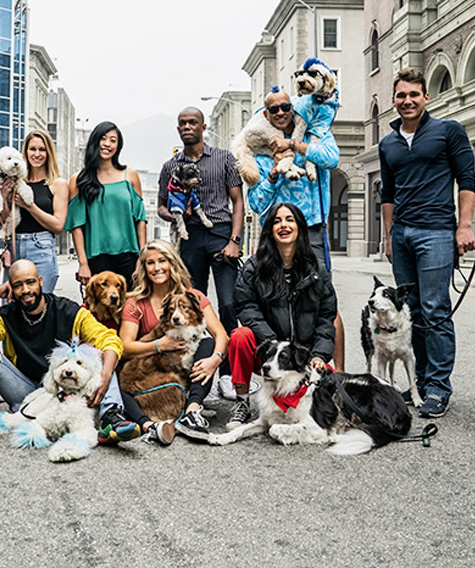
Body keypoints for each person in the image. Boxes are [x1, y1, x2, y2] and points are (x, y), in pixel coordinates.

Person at [0, 259, 139, 450]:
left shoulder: (68, 310)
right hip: (25, 391)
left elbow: (109, 340)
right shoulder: (5, 315)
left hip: (64, 389)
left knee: (105, 354)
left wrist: (104, 377)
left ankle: (111, 416)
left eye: (30, 282)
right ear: (11, 289)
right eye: (18, 285)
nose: (26, 290)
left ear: (41, 282)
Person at [379, 67, 475, 419]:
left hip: (436, 231)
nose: (407, 101)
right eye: (401, 96)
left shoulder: (448, 131)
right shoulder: (387, 142)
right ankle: (420, 382)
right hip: (402, 233)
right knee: (413, 310)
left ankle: (438, 387)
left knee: (435, 309)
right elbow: (387, 193)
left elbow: (467, 179)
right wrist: (389, 235)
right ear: (394, 101)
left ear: (426, 98)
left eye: (413, 95)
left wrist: (464, 226)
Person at [246, 88, 345, 371]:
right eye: (273, 109)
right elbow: (256, 202)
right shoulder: (259, 150)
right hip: (275, 234)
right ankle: (286, 372)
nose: (280, 113)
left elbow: (331, 158)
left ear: (293, 107)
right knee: (280, 305)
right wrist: (274, 173)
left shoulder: (315, 130)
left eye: (285, 107)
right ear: (265, 114)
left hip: (311, 229)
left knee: (326, 303)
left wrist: (295, 145)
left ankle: (337, 373)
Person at [224, 203, 337, 430]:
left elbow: (327, 317)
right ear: (269, 229)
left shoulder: (317, 270)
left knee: (332, 393)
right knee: (239, 336)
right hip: (266, 352)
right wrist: (270, 340)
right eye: (277, 221)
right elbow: (245, 307)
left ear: (299, 228)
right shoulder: (253, 268)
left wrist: (319, 355)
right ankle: (242, 402)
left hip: (301, 357)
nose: (283, 225)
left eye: (289, 220)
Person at [118, 239, 230, 442]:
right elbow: (124, 347)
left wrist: (216, 359)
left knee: (208, 344)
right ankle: (148, 423)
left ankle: (192, 410)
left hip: (181, 369)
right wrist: (159, 345)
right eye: (150, 263)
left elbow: (221, 335)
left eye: (162, 260)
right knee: (119, 386)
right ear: (144, 268)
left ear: (172, 263)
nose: (157, 267)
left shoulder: (193, 296)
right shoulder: (134, 303)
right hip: (152, 370)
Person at [157, 107, 243, 332]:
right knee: (193, 303)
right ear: (178, 129)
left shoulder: (224, 158)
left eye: (192, 122)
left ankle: (228, 364)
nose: (187, 127)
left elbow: (238, 201)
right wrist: (175, 215)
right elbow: (161, 208)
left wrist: (235, 240)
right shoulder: (170, 167)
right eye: (183, 123)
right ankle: (200, 360)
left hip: (221, 234)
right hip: (190, 237)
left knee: (228, 303)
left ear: (203, 127)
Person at [66, 121, 147, 288]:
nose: (107, 144)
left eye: (113, 140)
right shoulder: (79, 180)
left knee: (131, 311)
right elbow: (76, 226)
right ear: (95, 141)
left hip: (129, 257)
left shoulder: (130, 176)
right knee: (99, 312)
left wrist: (142, 258)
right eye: (103, 138)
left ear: (118, 146)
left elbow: (140, 220)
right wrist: (83, 263)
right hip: (96, 259)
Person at [0, 130, 68, 293]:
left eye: (42, 149)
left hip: (41, 247)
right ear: (25, 152)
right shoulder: (15, 181)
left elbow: (58, 225)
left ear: (49, 153)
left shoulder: (57, 184)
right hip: (15, 246)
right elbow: (4, 222)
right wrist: (3, 198)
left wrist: (29, 206)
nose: (37, 154)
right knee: (11, 305)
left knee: (41, 303)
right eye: (32, 149)